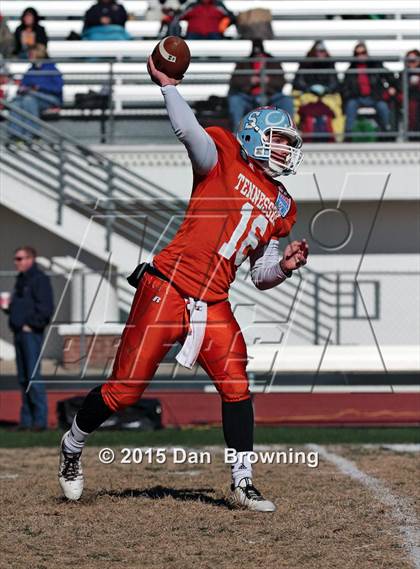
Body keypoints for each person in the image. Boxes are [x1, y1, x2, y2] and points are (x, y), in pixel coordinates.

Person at [58, 52, 308, 512]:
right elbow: (189, 131)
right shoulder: (222, 154)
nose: (284, 150)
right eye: (278, 140)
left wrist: (285, 267)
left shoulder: (283, 205)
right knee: (124, 391)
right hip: (168, 287)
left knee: (237, 385)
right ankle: (72, 446)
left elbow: (260, 275)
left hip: (214, 300)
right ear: (254, 137)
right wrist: (169, 87)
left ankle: (243, 481)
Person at [6, 247, 54, 430]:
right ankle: (26, 421)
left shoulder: (39, 279)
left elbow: (46, 308)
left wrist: (32, 324)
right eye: (16, 258)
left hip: (31, 334)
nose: (17, 262)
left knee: (33, 376)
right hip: (19, 333)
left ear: (31, 259)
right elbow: (22, 306)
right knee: (23, 378)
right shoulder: (21, 280)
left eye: (20, 258)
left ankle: (40, 421)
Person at [228, 39, 294, 130]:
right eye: (256, 55)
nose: (258, 57)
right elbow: (234, 81)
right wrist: (250, 80)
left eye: (260, 54)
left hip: (271, 96)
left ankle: (288, 131)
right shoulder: (243, 63)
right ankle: (237, 132)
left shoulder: (273, 63)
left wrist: (268, 81)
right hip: (248, 97)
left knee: (286, 101)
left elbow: (281, 81)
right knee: (235, 100)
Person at [7, 44, 63, 142]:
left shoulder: (51, 68)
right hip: (30, 97)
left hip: (48, 97)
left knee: (28, 100)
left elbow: (57, 88)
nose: (29, 56)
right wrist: (23, 89)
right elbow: (23, 85)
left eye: (31, 54)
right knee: (15, 104)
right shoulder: (30, 70)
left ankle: (32, 134)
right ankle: (15, 136)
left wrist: (40, 87)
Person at [342, 41, 394, 139]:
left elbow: (391, 77)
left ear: (367, 53)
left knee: (383, 107)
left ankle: (387, 133)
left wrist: (392, 87)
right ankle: (348, 135)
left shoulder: (376, 65)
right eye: (358, 54)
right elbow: (345, 87)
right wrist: (350, 95)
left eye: (363, 53)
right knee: (350, 105)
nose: (361, 56)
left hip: (374, 97)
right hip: (357, 98)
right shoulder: (350, 69)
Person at [405, 49, 420, 138]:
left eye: (414, 60)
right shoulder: (404, 73)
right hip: (410, 100)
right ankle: (412, 136)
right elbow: (399, 89)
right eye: (409, 61)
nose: (412, 63)